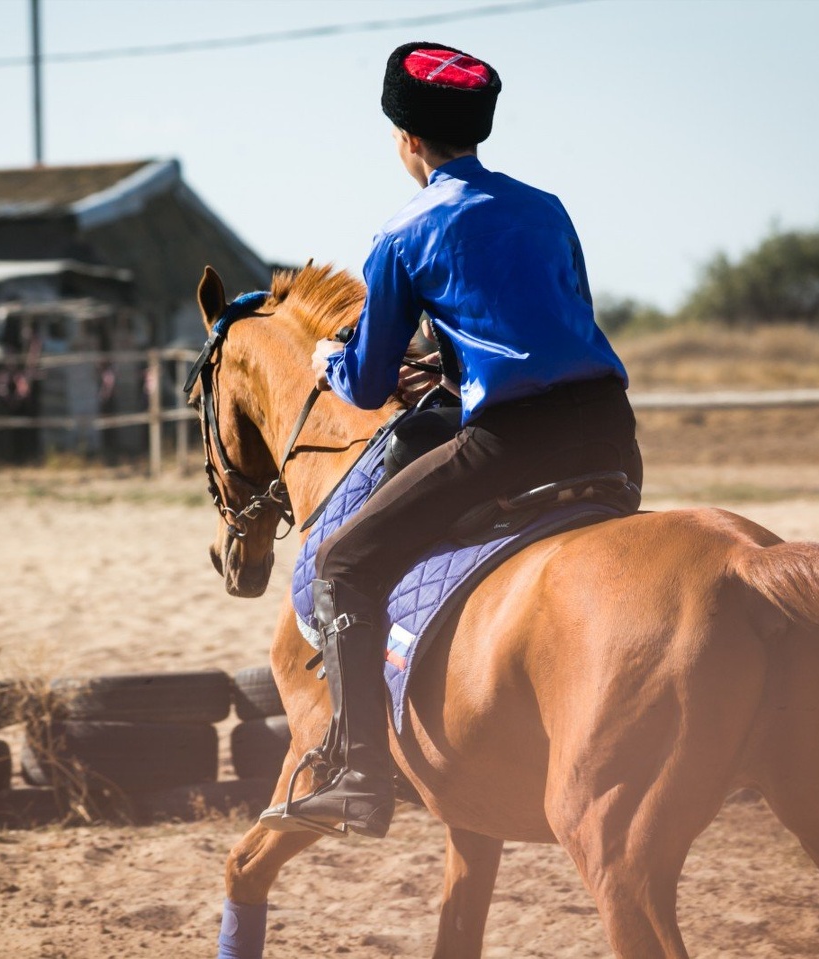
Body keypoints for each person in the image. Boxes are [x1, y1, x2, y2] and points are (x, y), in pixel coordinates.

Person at [259, 41, 643, 840]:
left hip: (513, 442)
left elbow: (366, 386)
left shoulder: (404, 233)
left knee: (342, 564)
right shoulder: (547, 208)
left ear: (406, 140)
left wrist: (333, 357)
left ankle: (362, 777)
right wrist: (453, 354)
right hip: (613, 440)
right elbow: (555, 320)